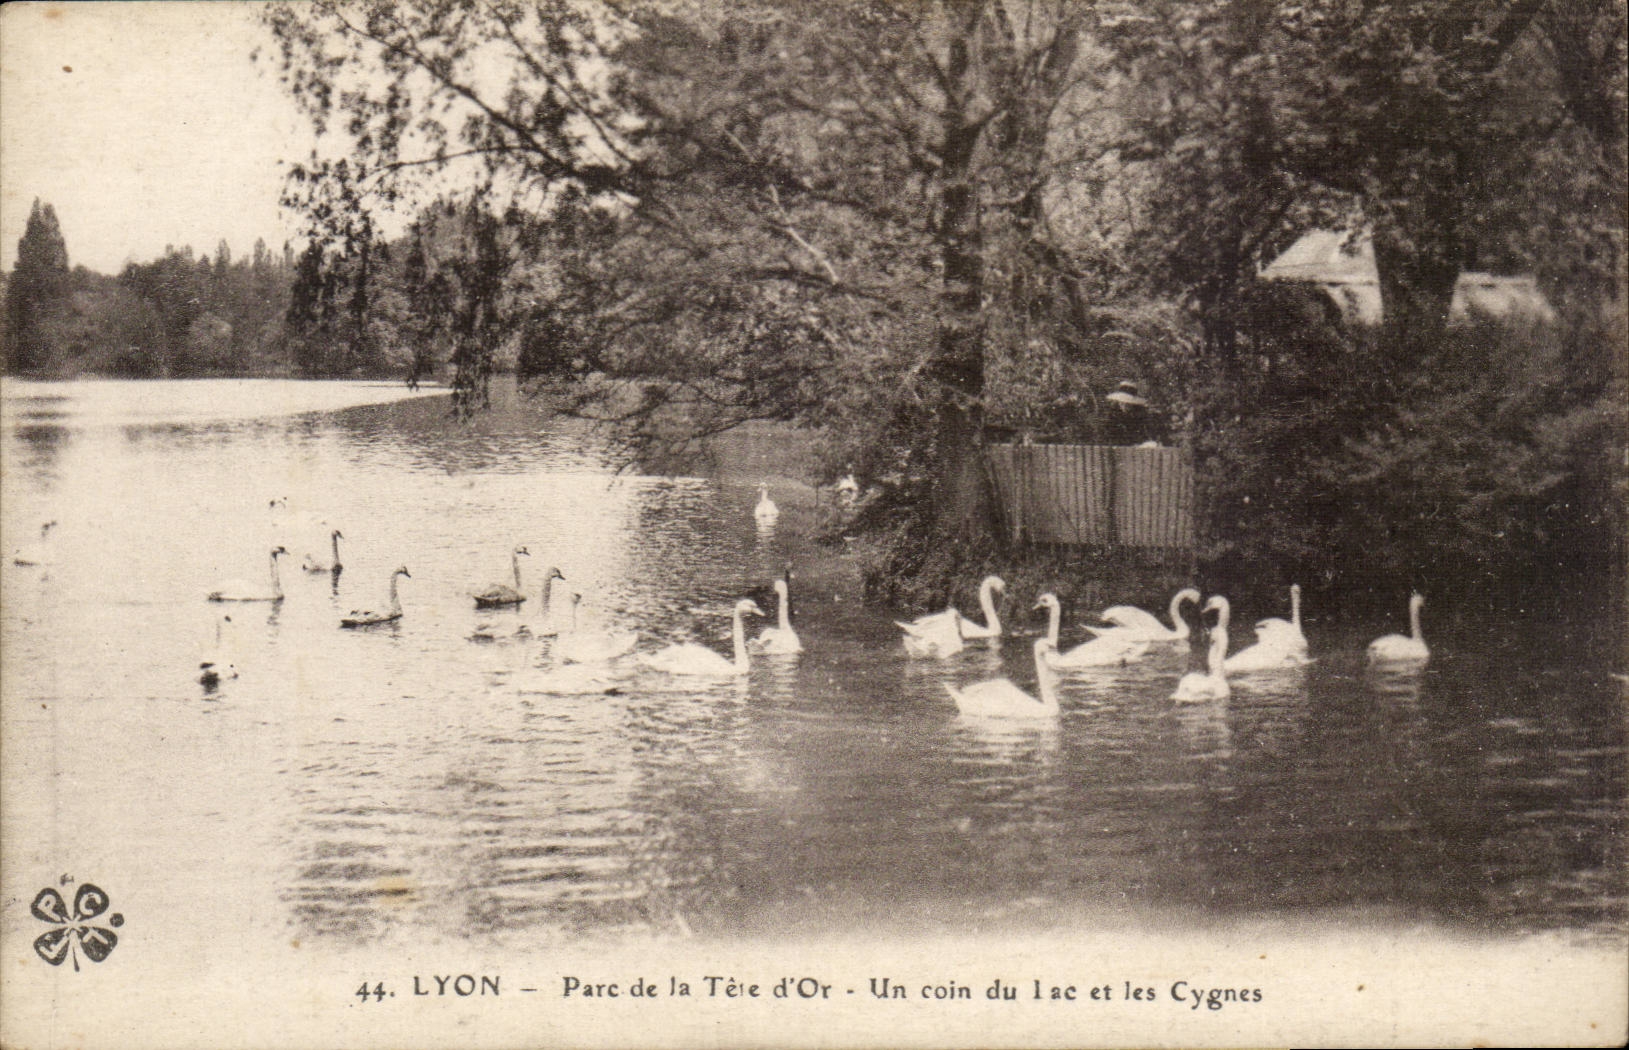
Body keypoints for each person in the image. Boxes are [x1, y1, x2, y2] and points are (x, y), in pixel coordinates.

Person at [1102, 380, 1161, 446]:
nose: (1125, 405)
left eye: (1128, 403)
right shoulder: (1111, 416)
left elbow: (1143, 435)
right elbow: (1108, 436)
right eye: (1122, 402)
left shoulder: (1138, 416)